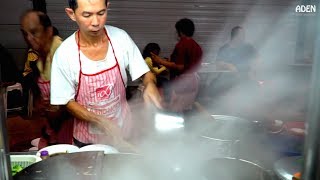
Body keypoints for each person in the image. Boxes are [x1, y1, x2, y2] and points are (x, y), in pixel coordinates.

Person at [50, 0, 162, 148]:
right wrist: (100, 121)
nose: (96, 22)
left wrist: (150, 84)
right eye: (87, 15)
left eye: (101, 13)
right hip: (87, 139)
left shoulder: (120, 38)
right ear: (72, 14)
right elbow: (66, 102)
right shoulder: (64, 54)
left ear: (107, 7)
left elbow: (146, 73)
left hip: (124, 130)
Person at [20, 10, 73, 150]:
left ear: (48, 31)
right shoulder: (39, 57)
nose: (29, 38)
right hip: (55, 126)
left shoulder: (62, 52)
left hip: (71, 127)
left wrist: (58, 108)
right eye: (25, 34)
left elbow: (78, 94)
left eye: (34, 32)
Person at [150, 18, 203, 112]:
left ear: (180, 31)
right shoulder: (197, 46)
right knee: (187, 108)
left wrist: (160, 61)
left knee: (176, 109)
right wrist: (165, 61)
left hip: (183, 81)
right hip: (194, 80)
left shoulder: (182, 44)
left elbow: (180, 66)